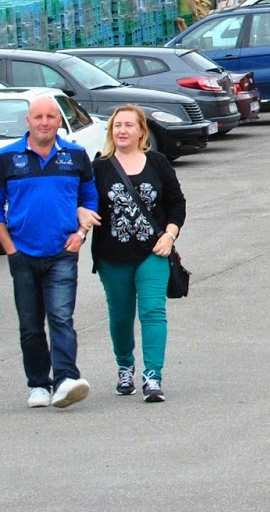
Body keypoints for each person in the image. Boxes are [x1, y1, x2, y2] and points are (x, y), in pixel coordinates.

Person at [0, 94, 99, 409]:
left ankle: (66, 380)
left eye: (51, 117)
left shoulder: (76, 155)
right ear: (27, 121)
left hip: (62, 252)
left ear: (60, 122)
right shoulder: (7, 157)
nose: (44, 122)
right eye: (38, 117)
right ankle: (38, 384)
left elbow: (90, 199)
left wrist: (81, 234)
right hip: (23, 255)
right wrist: (11, 250)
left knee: (60, 317)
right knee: (30, 324)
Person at [91, 104, 185, 403]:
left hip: (153, 252)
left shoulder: (157, 162)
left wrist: (170, 235)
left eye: (129, 125)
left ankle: (153, 376)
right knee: (120, 316)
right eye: (117, 125)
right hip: (112, 256)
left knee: (153, 312)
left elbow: (176, 204)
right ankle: (125, 367)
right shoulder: (100, 167)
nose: (122, 130)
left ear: (141, 131)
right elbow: (86, 203)